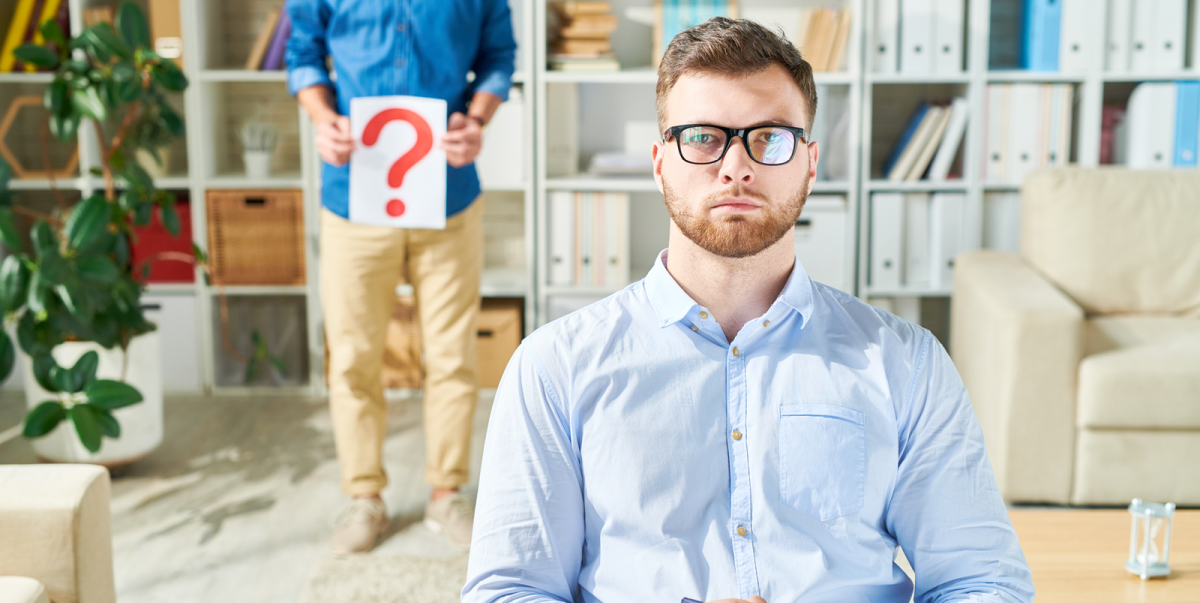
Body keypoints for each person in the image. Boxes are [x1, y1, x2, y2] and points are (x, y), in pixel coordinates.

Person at [463, 18, 1034, 603]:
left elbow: (983, 583)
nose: (736, 166)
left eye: (770, 137)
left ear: (810, 164)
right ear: (660, 162)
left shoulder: (907, 363)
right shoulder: (553, 366)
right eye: (703, 137)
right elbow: (509, 590)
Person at [284, 1, 517, 554]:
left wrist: (477, 120)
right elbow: (302, 53)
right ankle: (364, 497)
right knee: (353, 356)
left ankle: (446, 493)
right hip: (353, 196)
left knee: (452, 354)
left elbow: (498, 58)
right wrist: (323, 119)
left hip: (450, 196)